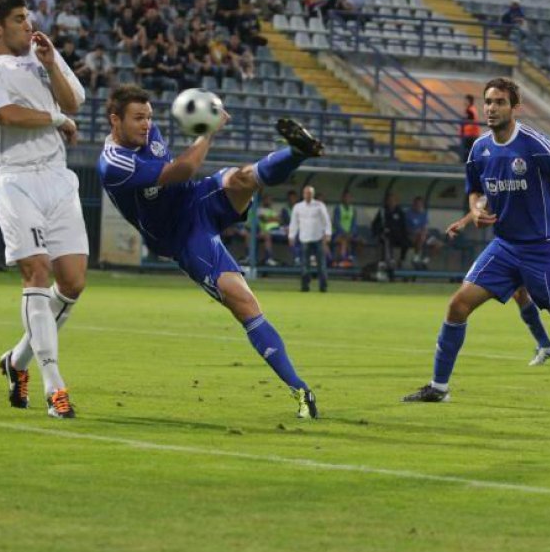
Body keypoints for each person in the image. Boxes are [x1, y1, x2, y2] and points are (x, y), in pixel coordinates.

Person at [403, 78, 550, 415]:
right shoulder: (479, 149)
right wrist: (475, 209)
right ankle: (438, 388)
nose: (491, 108)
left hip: (544, 249)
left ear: (515, 108)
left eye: (499, 102)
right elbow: (474, 190)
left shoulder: (534, 145)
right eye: (488, 101)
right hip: (505, 247)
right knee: (457, 306)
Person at [98, 85, 324, 418]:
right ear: (115, 120)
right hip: (181, 236)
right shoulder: (114, 164)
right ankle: (301, 390)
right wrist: (207, 132)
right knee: (243, 301)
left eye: (149, 116)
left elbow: (187, 179)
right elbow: (181, 170)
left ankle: (298, 152)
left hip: (196, 198)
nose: (146, 124)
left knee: (243, 178)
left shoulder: (148, 134)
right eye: (137, 118)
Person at [0, 0, 88, 419]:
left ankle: (15, 362)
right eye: (18, 19)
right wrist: (55, 120)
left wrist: (52, 63)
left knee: (72, 282)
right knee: (37, 270)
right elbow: (5, 114)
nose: (27, 24)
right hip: (16, 177)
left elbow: (74, 102)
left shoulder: (42, 55)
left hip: (58, 176)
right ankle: (56, 389)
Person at [446, 213, 550, 366]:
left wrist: (464, 221)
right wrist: (464, 221)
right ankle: (547, 342)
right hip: (514, 245)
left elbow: (484, 203)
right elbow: (483, 204)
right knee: (520, 294)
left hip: (532, 244)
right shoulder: (498, 192)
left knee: (542, 293)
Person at [289, 185, 332, 293]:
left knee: (321, 264)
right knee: (304, 265)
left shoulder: (319, 205)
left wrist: (327, 233)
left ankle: (323, 287)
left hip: (318, 238)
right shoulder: (298, 207)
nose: (308, 195)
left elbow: (326, 220)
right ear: (303, 194)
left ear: (313, 194)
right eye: (306, 193)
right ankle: (305, 286)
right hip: (304, 238)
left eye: (310, 193)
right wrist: (291, 235)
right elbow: (294, 223)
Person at [371, 192, 410, 281]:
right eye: (390, 200)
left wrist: (404, 234)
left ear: (396, 201)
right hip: (386, 236)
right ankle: (389, 263)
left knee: (406, 242)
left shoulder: (400, 212)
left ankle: (401, 260)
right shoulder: (382, 211)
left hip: (397, 236)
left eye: (393, 200)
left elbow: (404, 226)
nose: (391, 202)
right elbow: (375, 224)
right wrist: (379, 232)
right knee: (387, 242)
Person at [407, 196, 439, 269]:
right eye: (417, 204)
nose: (419, 206)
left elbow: (425, 227)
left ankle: (425, 261)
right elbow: (407, 228)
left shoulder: (424, 214)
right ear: (414, 204)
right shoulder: (408, 214)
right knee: (421, 236)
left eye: (420, 204)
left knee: (438, 244)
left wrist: (424, 232)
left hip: (424, 236)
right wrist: (418, 232)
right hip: (411, 236)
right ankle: (416, 257)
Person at [332, 190, 358, 267]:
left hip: (350, 234)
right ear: (342, 198)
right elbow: (336, 223)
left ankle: (352, 258)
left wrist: (352, 233)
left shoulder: (353, 209)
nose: (348, 199)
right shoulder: (338, 208)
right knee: (344, 240)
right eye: (346, 197)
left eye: (349, 197)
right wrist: (344, 232)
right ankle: (342, 260)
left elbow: (354, 223)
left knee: (360, 241)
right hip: (337, 234)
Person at [459, 94, 481, 163]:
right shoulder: (471, 110)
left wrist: (462, 131)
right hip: (471, 134)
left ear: (469, 101)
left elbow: (470, 123)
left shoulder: (470, 111)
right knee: (469, 152)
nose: (464, 102)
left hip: (469, 135)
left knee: (466, 152)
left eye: (466, 100)